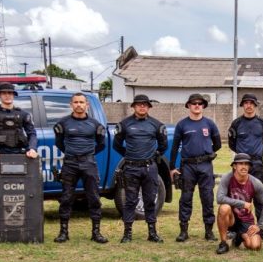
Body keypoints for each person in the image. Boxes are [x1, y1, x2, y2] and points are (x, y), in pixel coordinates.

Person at [52, 93, 107, 243]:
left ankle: (96, 233)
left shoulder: (95, 125)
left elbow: (101, 144)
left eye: (82, 102)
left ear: (87, 105)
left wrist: (87, 154)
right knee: (66, 198)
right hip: (70, 164)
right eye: (75, 102)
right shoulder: (63, 124)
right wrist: (72, 154)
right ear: (71, 105)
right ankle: (63, 232)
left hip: (89, 163)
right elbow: (59, 143)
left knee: (94, 197)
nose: (79, 105)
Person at [114, 94, 167, 243]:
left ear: (149, 107)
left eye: (145, 104)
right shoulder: (124, 124)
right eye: (139, 104)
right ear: (133, 106)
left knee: (150, 200)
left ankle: (152, 233)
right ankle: (127, 234)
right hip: (131, 168)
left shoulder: (156, 125)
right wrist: (129, 155)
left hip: (149, 168)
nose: (142, 106)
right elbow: (116, 145)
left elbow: (163, 145)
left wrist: (154, 155)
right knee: (130, 201)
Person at [170, 93, 221, 242]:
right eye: (193, 103)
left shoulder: (210, 124)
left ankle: (209, 231)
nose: (197, 105)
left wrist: (207, 152)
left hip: (205, 165)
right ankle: (183, 231)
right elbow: (174, 147)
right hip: (188, 166)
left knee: (207, 197)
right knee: (186, 198)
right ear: (188, 106)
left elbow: (217, 144)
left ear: (203, 106)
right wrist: (172, 167)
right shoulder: (182, 124)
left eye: (200, 103)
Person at [226, 93, 263, 241]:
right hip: (240, 164)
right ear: (242, 105)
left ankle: (260, 229)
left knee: (259, 198)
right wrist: (242, 157)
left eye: (251, 103)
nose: (249, 106)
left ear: (255, 105)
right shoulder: (236, 124)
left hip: (257, 163)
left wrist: (259, 152)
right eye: (246, 103)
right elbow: (231, 143)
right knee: (236, 196)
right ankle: (234, 229)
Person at [215, 153, 263, 254]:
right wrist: (242, 204)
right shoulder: (227, 178)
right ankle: (223, 243)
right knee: (224, 208)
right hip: (230, 217)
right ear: (234, 166)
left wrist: (260, 226)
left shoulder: (255, 182)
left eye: (246, 164)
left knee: (255, 246)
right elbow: (219, 198)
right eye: (241, 163)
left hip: (245, 219)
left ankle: (238, 237)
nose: (244, 166)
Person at [0, 82, 38, 160]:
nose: (7, 95)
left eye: (10, 93)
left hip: (20, 153)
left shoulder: (23, 114)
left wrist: (32, 149)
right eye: (4, 93)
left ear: (13, 95)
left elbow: (32, 134)